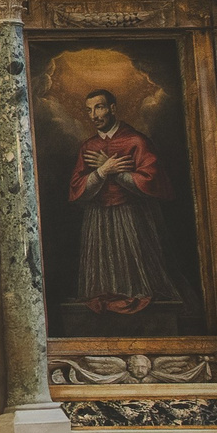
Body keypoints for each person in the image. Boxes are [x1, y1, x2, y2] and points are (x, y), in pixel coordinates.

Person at [68, 89, 175, 316]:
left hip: (131, 215)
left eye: (99, 107)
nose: (94, 115)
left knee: (134, 283)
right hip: (97, 217)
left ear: (113, 108)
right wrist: (102, 171)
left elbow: (151, 182)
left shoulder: (136, 141)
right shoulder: (88, 146)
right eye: (89, 110)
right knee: (101, 286)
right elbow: (78, 189)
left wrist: (114, 172)